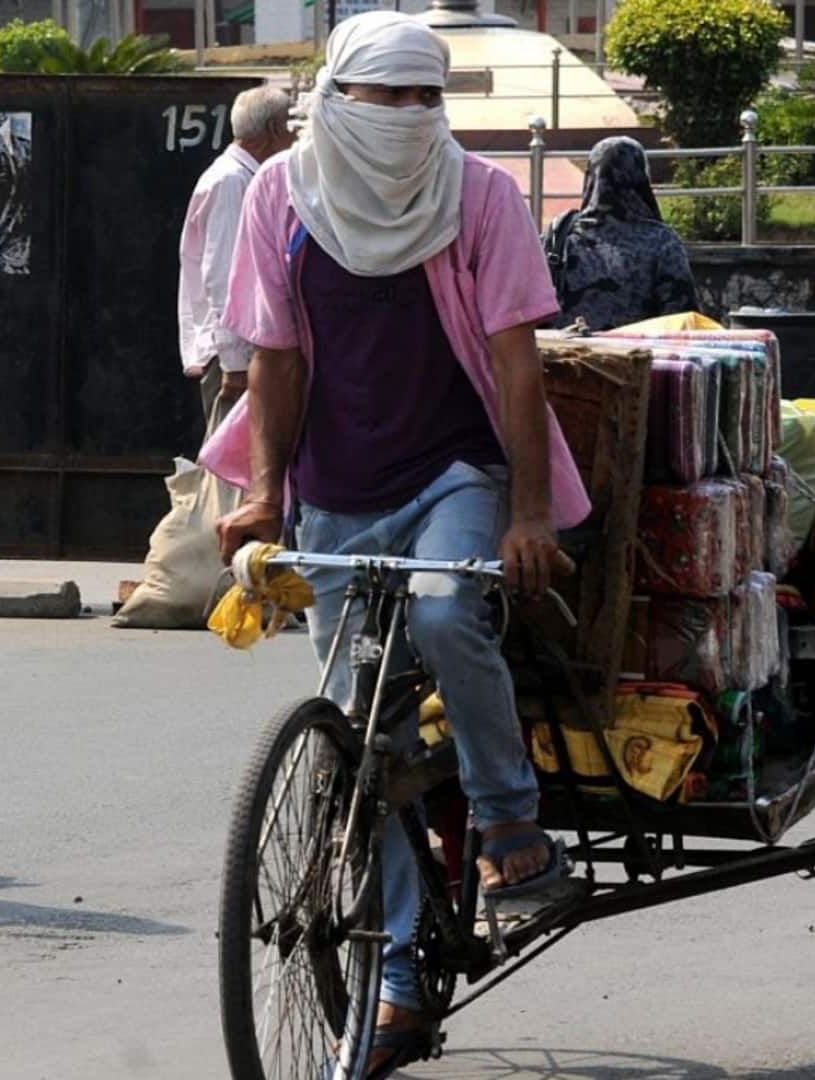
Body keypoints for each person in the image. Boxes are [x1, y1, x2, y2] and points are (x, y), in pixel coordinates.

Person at [206, 12, 591, 1074]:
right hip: (335, 491)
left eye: (431, 98)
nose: (414, 117)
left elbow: (517, 366)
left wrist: (524, 513)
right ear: (337, 99)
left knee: (440, 611)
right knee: (355, 743)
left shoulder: (481, 197)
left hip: (454, 473)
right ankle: (401, 980)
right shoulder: (281, 196)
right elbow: (272, 360)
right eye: (392, 98)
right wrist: (267, 495)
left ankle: (515, 832)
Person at [177, 87, 295, 427]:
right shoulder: (232, 183)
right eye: (290, 128)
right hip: (234, 356)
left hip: (243, 351)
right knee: (230, 469)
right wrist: (235, 363)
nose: (294, 139)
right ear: (273, 130)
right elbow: (224, 276)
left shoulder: (244, 178)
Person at [542, 135, 701, 331]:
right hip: (636, 358)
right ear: (641, 177)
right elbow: (681, 322)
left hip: (566, 357)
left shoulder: (559, 235)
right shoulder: (661, 242)